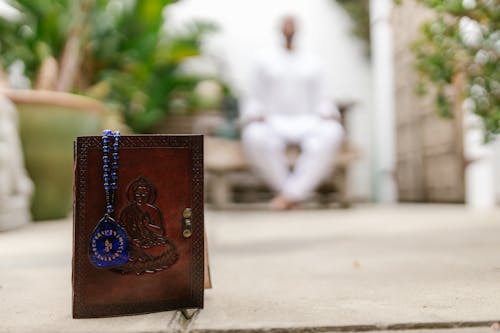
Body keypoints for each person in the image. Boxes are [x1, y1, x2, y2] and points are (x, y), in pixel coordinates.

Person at [240, 16, 344, 210]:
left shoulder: (313, 60)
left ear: (297, 30)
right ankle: (293, 194)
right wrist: (254, 113)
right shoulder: (263, 59)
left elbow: (323, 95)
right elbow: (253, 94)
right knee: (253, 135)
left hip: (308, 121)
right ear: (280, 30)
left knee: (333, 131)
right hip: (272, 122)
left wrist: (327, 111)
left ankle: (289, 196)